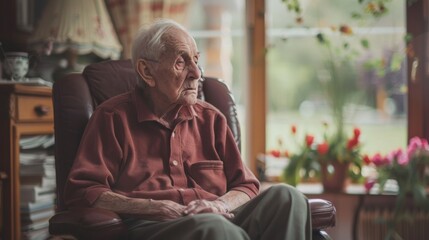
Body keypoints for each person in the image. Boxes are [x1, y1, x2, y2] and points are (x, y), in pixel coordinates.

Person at [64, 19, 312, 240]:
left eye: (196, 60)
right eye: (181, 62)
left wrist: (220, 205)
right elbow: (84, 191)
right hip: (155, 226)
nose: (197, 73)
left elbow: (246, 185)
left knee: (288, 198)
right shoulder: (112, 118)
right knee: (216, 229)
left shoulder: (211, 118)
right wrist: (152, 206)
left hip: (220, 217)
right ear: (146, 71)